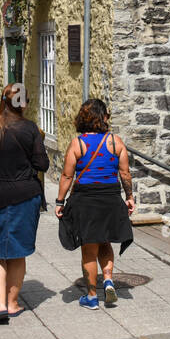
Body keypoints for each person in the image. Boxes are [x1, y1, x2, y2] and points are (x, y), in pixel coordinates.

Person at [0, 84, 48, 323]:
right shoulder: (30, 129)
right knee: (17, 251)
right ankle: (13, 303)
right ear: (23, 103)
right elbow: (42, 165)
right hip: (23, 195)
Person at [55, 99, 135, 310]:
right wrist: (130, 197)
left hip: (86, 200)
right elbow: (125, 173)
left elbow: (66, 175)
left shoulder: (77, 144)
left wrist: (59, 201)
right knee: (105, 241)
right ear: (104, 118)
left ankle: (91, 296)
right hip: (110, 198)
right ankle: (108, 280)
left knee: (89, 248)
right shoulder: (116, 142)